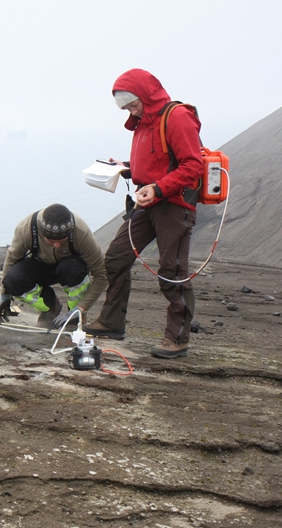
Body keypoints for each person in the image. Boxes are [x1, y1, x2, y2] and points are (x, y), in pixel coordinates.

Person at [85, 68, 204, 358]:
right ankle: (111, 322)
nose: (129, 109)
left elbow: (192, 165)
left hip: (173, 205)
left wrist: (159, 189)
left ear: (145, 93)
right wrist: (125, 166)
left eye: (131, 102)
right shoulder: (142, 122)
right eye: (124, 106)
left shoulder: (176, 116)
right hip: (147, 202)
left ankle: (177, 338)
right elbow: (157, 159)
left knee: (172, 272)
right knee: (115, 258)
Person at [0, 204, 107, 329]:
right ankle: (50, 305)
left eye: (62, 240)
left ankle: (74, 318)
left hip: (69, 269)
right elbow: (12, 259)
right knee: (12, 280)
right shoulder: (26, 228)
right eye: (51, 241)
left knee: (72, 269)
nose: (57, 245)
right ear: (42, 233)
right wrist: (5, 295)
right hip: (40, 266)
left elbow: (101, 274)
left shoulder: (81, 233)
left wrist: (80, 308)